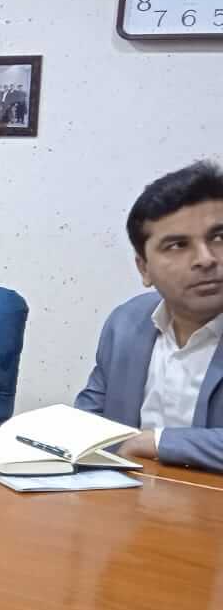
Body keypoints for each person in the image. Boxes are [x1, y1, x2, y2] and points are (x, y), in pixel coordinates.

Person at [76, 160, 223, 472]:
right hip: (130, 497)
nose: (206, 259)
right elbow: (89, 419)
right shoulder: (126, 323)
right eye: (178, 245)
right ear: (144, 268)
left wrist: (157, 442)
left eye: (219, 237)